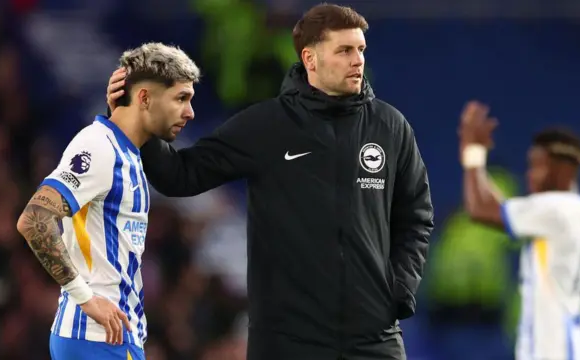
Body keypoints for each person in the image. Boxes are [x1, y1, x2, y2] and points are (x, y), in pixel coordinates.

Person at [107, 4, 434, 359]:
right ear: (311, 58)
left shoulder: (390, 126)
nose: (357, 60)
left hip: (372, 336)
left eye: (360, 49)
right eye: (344, 50)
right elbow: (180, 174)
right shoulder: (267, 126)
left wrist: (399, 290)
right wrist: (141, 121)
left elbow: (415, 214)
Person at [16, 42, 200, 360]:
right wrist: (85, 298)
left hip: (114, 336)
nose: (190, 112)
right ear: (145, 98)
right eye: (180, 98)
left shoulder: (130, 155)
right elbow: (34, 219)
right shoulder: (99, 147)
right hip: (95, 336)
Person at [459, 100, 580, 360]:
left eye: (537, 166)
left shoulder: (555, 209)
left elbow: (480, 209)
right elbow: (502, 207)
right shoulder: (571, 211)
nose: (530, 175)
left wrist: (472, 153)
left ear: (562, 170)